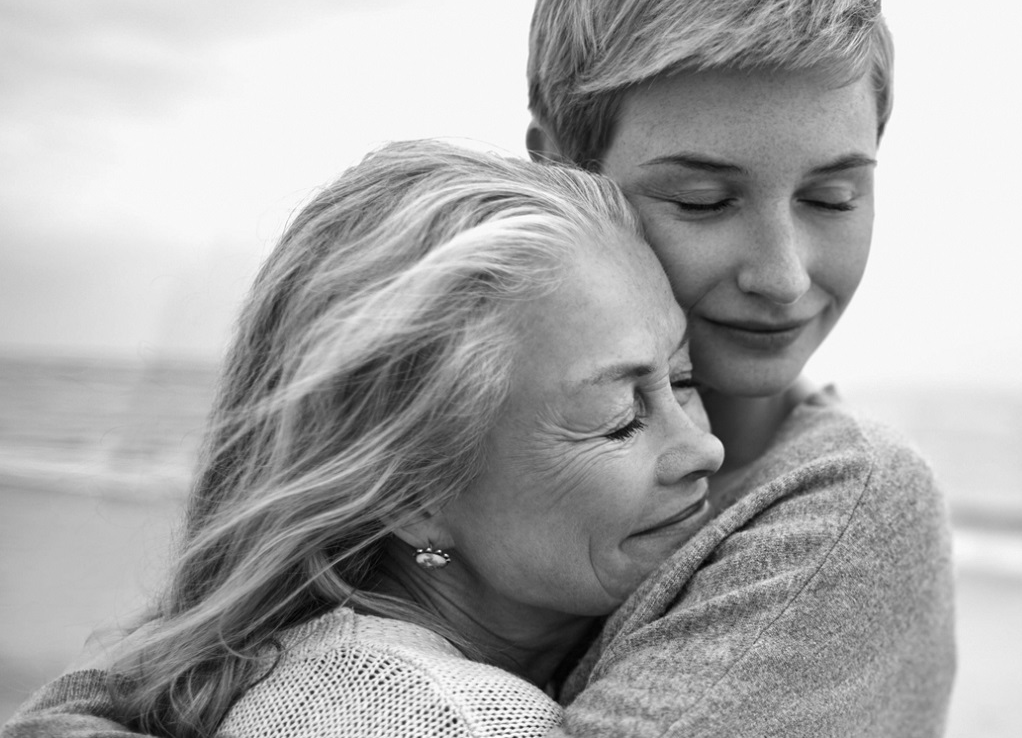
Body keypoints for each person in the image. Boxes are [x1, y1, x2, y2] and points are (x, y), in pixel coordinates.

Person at [8, 0, 957, 735]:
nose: (783, 275)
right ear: (559, 167)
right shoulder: (447, 433)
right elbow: (167, 666)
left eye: (835, 194)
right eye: (702, 198)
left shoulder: (842, 513)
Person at [6, 140, 724, 737]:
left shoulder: (304, 666)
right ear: (416, 492)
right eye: (618, 417)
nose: (703, 449)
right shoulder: (445, 718)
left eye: (684, 379)